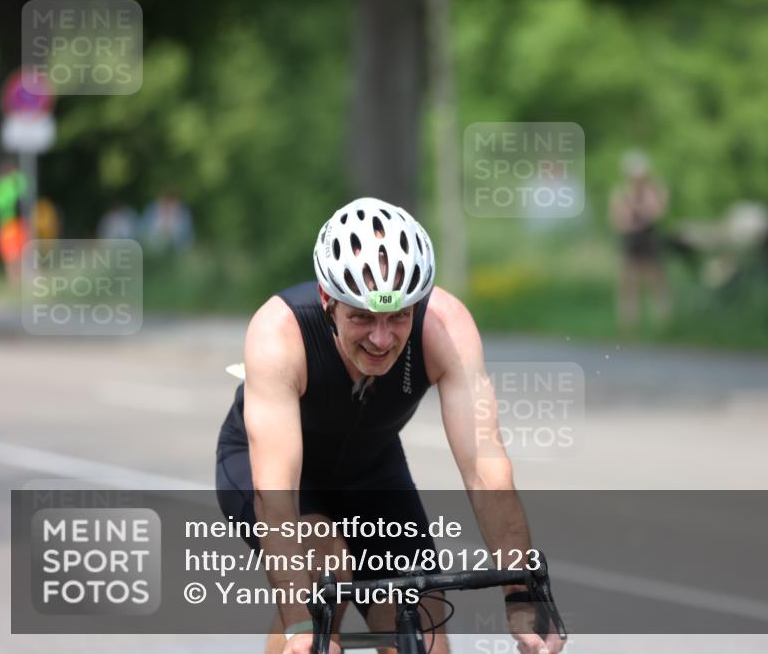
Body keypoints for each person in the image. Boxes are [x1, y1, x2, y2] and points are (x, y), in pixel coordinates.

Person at [216, 198, 565, 654]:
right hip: (274, 475)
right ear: (327, 300)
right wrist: (300, 621)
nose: (382, 339)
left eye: (399, 316)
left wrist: (521, 592)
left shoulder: (445, 326)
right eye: (362, 316)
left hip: (371, 469)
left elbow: (485, 467)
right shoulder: (279, 333)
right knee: (325, 570)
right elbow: (275, 492)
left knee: (422, 633)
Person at [608, 151, 670, 331]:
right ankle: (628, 324)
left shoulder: (653, 191)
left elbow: (656, 214)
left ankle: (662, 322)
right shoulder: (621, 192)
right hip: (631, 240)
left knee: (655, 281)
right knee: (628, 284)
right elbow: (618, 221)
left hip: (649, 239)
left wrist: (638, 209)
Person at [140, 188, 194, 252]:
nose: (168, 203)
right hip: (153, 247)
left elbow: (188, 236)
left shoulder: (183, 213)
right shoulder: (152, 210)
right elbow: (143, 230)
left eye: (171, 200)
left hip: (176, 249)